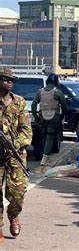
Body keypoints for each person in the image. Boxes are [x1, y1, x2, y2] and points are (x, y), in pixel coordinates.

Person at [0, 68, 32, 241]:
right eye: (6, 79)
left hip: (15, 154)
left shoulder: (19, 102)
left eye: (12, 79)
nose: (10, 82)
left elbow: (26, 129)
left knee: (18, 192)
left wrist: (16, 144)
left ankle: (14, 215)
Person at [31, 73, 68, 167]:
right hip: (53, 117)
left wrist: (36, 117)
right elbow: (64, 107)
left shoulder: (40, 91)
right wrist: (61, 117)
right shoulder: (58, 92)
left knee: (42, 136)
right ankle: (45, 158)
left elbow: (33, 105)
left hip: (42, 116)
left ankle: (42, 154)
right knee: (50, 137)